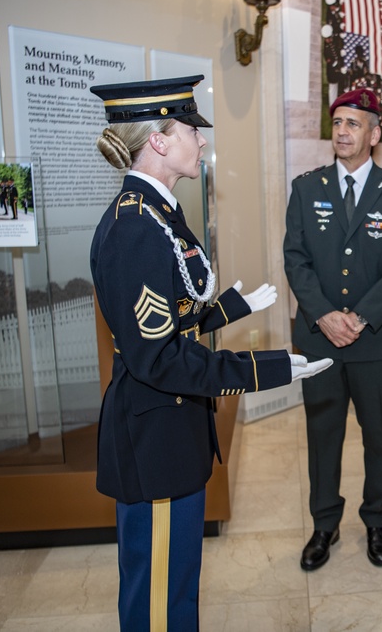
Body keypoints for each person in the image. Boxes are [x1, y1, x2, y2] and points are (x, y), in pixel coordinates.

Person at [89, 74, 331, 630]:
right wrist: (267, 367)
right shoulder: (135, 228)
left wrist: (228, 309)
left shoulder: (155, 213)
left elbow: (167, 321)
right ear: (158, 140)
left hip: (168, 434)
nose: (202, 142)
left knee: (178, 590)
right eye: (190, 130)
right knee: (158, 602)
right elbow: (159, 359)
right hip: (153, 442)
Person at [283, 87, 382, 572]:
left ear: (375, 133)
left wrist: (359, 318)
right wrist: (324, 315)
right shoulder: (306, 188)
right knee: (322, 435)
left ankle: (377, 520)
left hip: (377, 341)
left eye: (353, 123)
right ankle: (324, 524)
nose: (342, 131)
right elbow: (295, 260)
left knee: (379, 435)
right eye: (337, 123)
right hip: (320, 338)